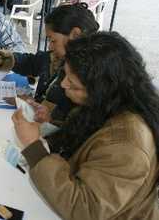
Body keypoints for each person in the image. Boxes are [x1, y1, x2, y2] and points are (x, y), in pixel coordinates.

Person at [13, 32, 159, 219]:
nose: (64, 85)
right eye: (65, 75)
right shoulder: (109, 104)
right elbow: (90, 140)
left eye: (73, 84)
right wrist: (50, 124)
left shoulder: (127, 146)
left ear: (101, 88)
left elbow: (85, 210)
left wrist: (34, 146)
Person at [0, 4, 99, 124]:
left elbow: (72, 125)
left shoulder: (88, 75)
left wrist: (34, 107)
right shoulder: (58, 57)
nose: (50, 46)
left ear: (75, 34)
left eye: (53, 40)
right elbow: (33, 62)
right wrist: (4, 59)